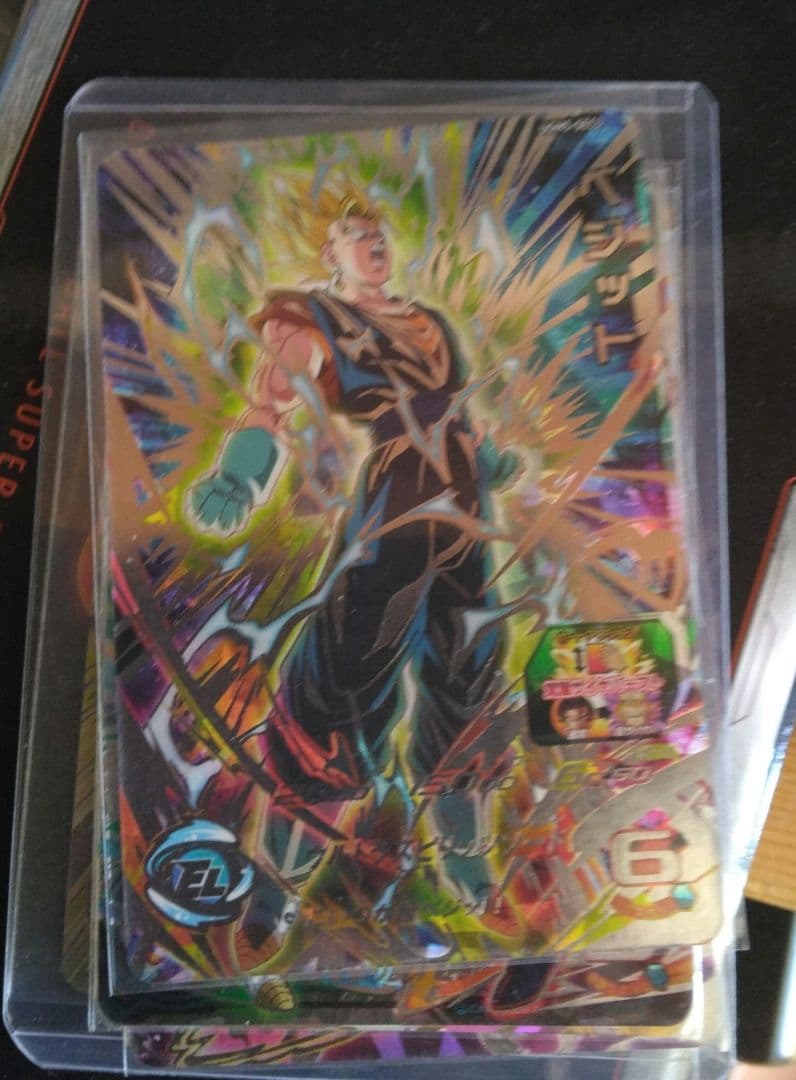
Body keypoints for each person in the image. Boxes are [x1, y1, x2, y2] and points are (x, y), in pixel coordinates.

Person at [189, 192, 519, 937]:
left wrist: (488, 458)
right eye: (354, 235)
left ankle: (466, 856)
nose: (373, 245)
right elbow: (271, 407)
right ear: (328, 253)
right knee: (345, 677)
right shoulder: (314, 318)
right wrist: (239, 475)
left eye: (377, 233)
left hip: (464, 512)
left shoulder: (429, 322)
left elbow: (457, 412)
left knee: (469, 669)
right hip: (395, 509)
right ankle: (279, 880)